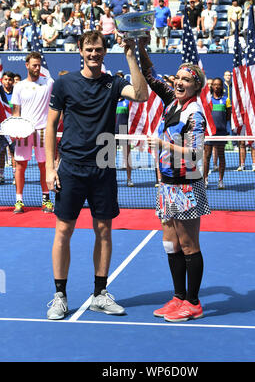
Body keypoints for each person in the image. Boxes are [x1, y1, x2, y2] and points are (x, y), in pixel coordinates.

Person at [45, 30, 148, 320]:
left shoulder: (113, 83)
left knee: (103, 230)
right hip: (71, 169)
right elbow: (50, 126)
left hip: (104, 166)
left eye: (99, 49)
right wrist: (51, 168)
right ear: (80, 50)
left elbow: (141, 94)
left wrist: (130, 55)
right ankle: (60, 296)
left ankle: (100, 294)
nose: (94, 54)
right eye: (89, 49)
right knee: (63, 231)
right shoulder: (64, 83)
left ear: (104, 52)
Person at [138, 36, 210, 322]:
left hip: (187, 184)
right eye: (177, 78)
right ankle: (178, 297)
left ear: (196, 87)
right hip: (167, 184)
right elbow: (151, 76)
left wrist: (166, 145)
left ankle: (193, 302)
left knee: (189, 244)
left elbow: (196, 155)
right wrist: (141, 47)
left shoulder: (196, 114)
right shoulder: (172, 102)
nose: (179, 83)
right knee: (170, 243)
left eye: (186, 80)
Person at [10, 52, 54, 214]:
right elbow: (16, 112)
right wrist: (16, 129)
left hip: (43, 131)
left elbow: (56, 104)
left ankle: (46, 200)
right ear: (27, 65)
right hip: (24, 131)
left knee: (44, 165)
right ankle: (19, 201)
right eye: (34, 65)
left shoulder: (49, 83)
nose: (37, 68)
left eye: (39, 65)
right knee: (20, 165)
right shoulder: (19, 86)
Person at [204, 77, 231, 189]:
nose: (216, 86)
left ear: (221, 86)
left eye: (219, 84)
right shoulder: (208, 100)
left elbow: (228, 116)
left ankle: (220, 180)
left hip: (221, 132)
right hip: (209, 132)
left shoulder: (226, 100)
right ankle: (205, 179)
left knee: (221, 156)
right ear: (212, 86)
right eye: (214, 84)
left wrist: (222, 125)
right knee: (207, 156)